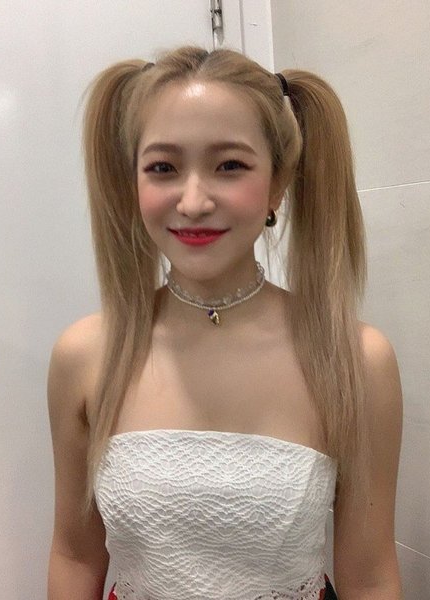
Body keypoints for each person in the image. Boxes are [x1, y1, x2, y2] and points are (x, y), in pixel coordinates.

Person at [46, 45, 403, 600]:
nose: (193, 201)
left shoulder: (354, 359)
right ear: (133, 183)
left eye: (230, 165)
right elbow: (74, 556)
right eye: (163, 168)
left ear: (278, 184)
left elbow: (371, 574)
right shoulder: (87, 355)